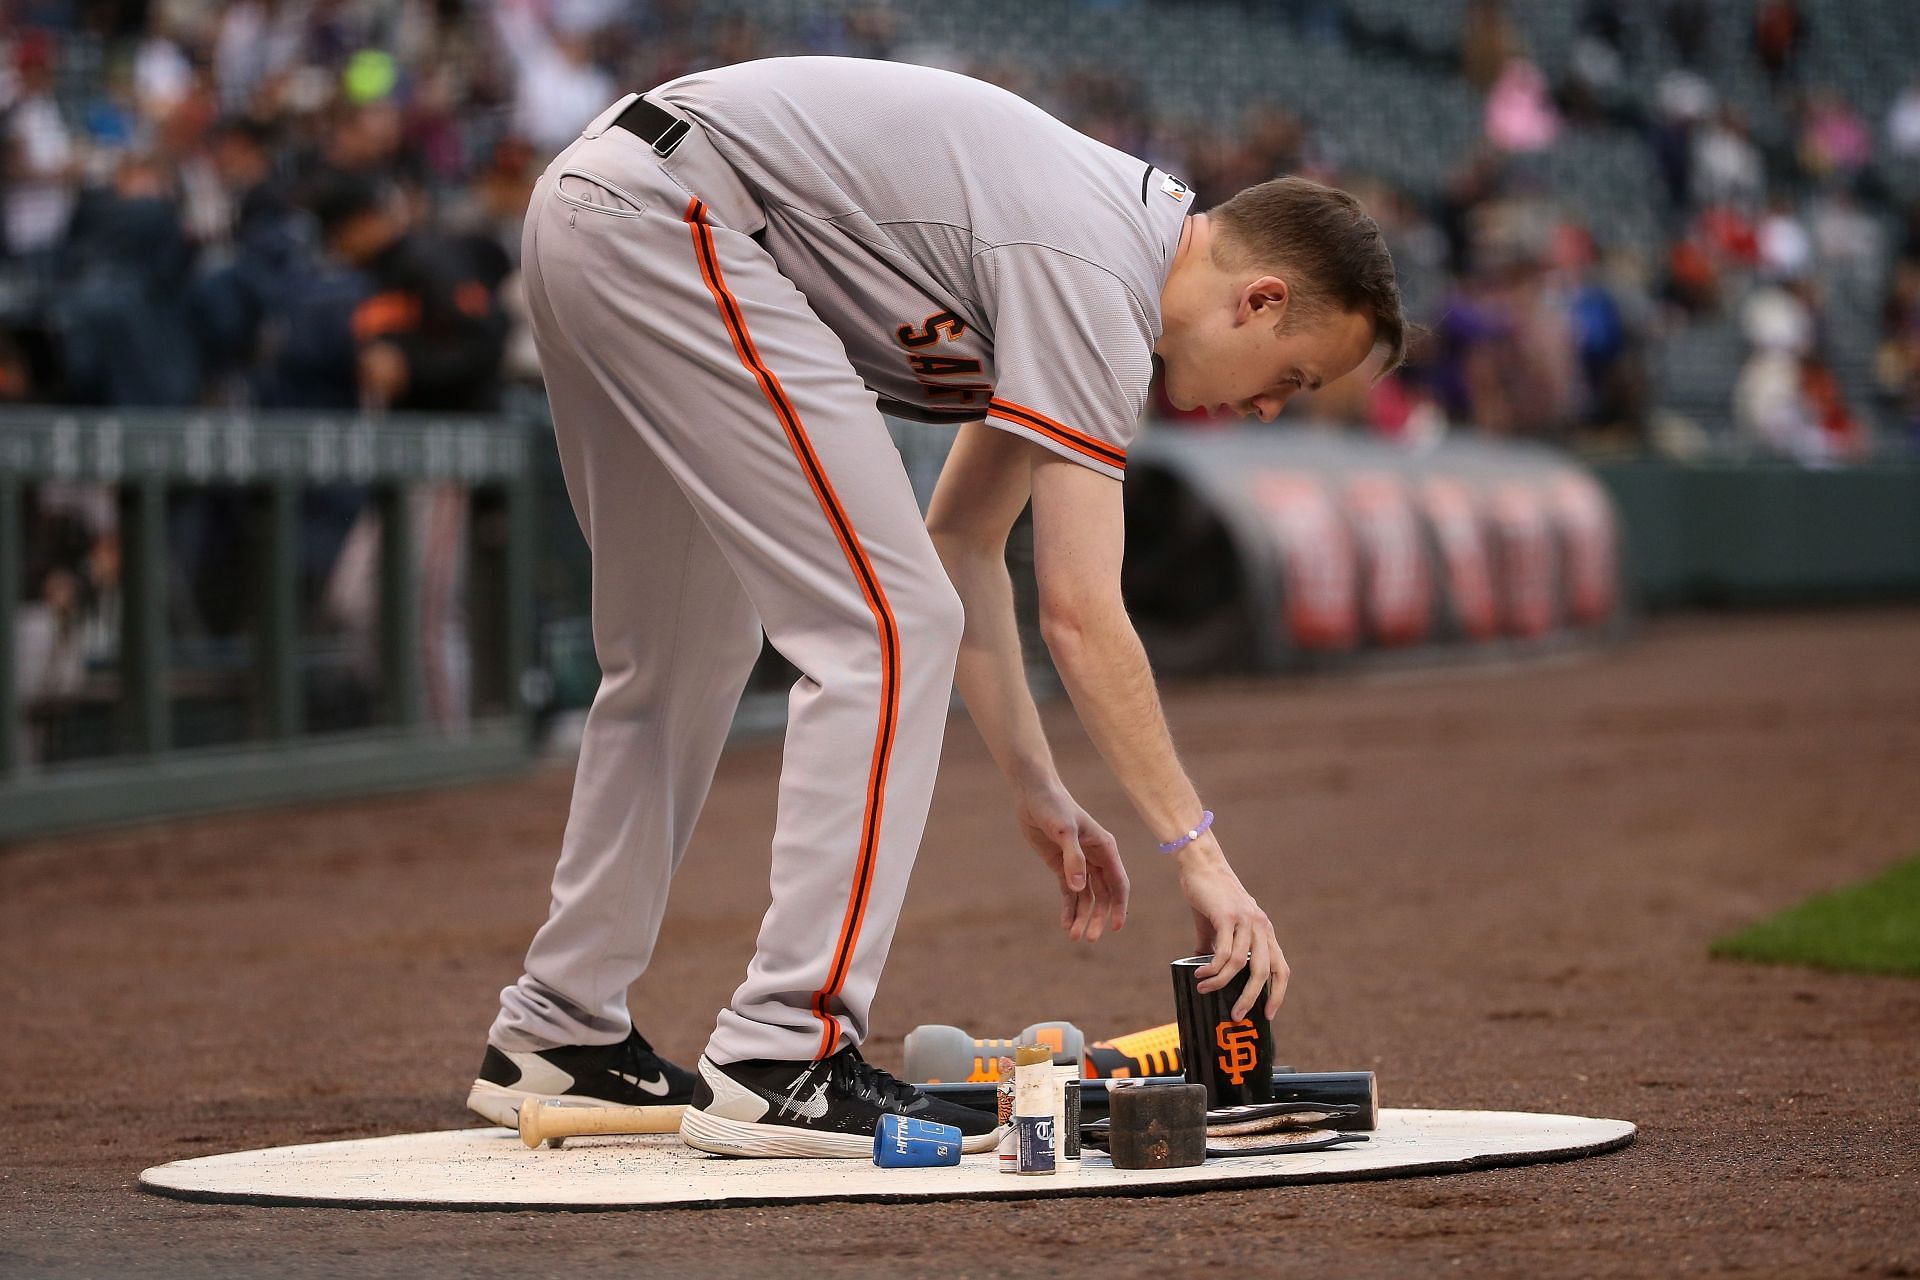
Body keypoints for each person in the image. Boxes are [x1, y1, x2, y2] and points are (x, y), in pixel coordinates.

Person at [469, 56, 1405, 1159]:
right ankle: (784, 1051)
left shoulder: (1099, 248)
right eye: (1290, 375)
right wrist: (1199, 854)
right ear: (1263, 299)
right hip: (674, 219)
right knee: (879, 626)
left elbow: (963, 540)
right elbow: (1080, 612)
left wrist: (1036, 782)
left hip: (606, 208)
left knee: (685, 649)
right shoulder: (1102, 269)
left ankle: (562, 1025)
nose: (1265, 407)